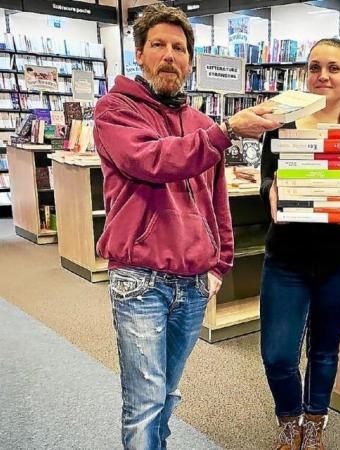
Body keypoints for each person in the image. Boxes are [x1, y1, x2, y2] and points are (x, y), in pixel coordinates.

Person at [93, 3, 279, 449]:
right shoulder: (115, 111)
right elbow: (151, 161)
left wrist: (220, 264)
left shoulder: (199, 123)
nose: (169, 55)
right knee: (145, 401)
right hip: (141, 280)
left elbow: (216, 201)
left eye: (179, 47)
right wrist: (226, 130)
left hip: (194, 282)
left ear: (190, 61)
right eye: (158, 45)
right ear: (139, 54)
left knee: (166, 393)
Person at [259, 38, 340, 450]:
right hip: (287, 258)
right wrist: (271, 191)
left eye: (333, 68)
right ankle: (288, 420)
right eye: (314, 67)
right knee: (278, 355)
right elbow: (266, 180)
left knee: (324, 350)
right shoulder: (280, 125)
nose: (323, 76)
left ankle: (313, 425)